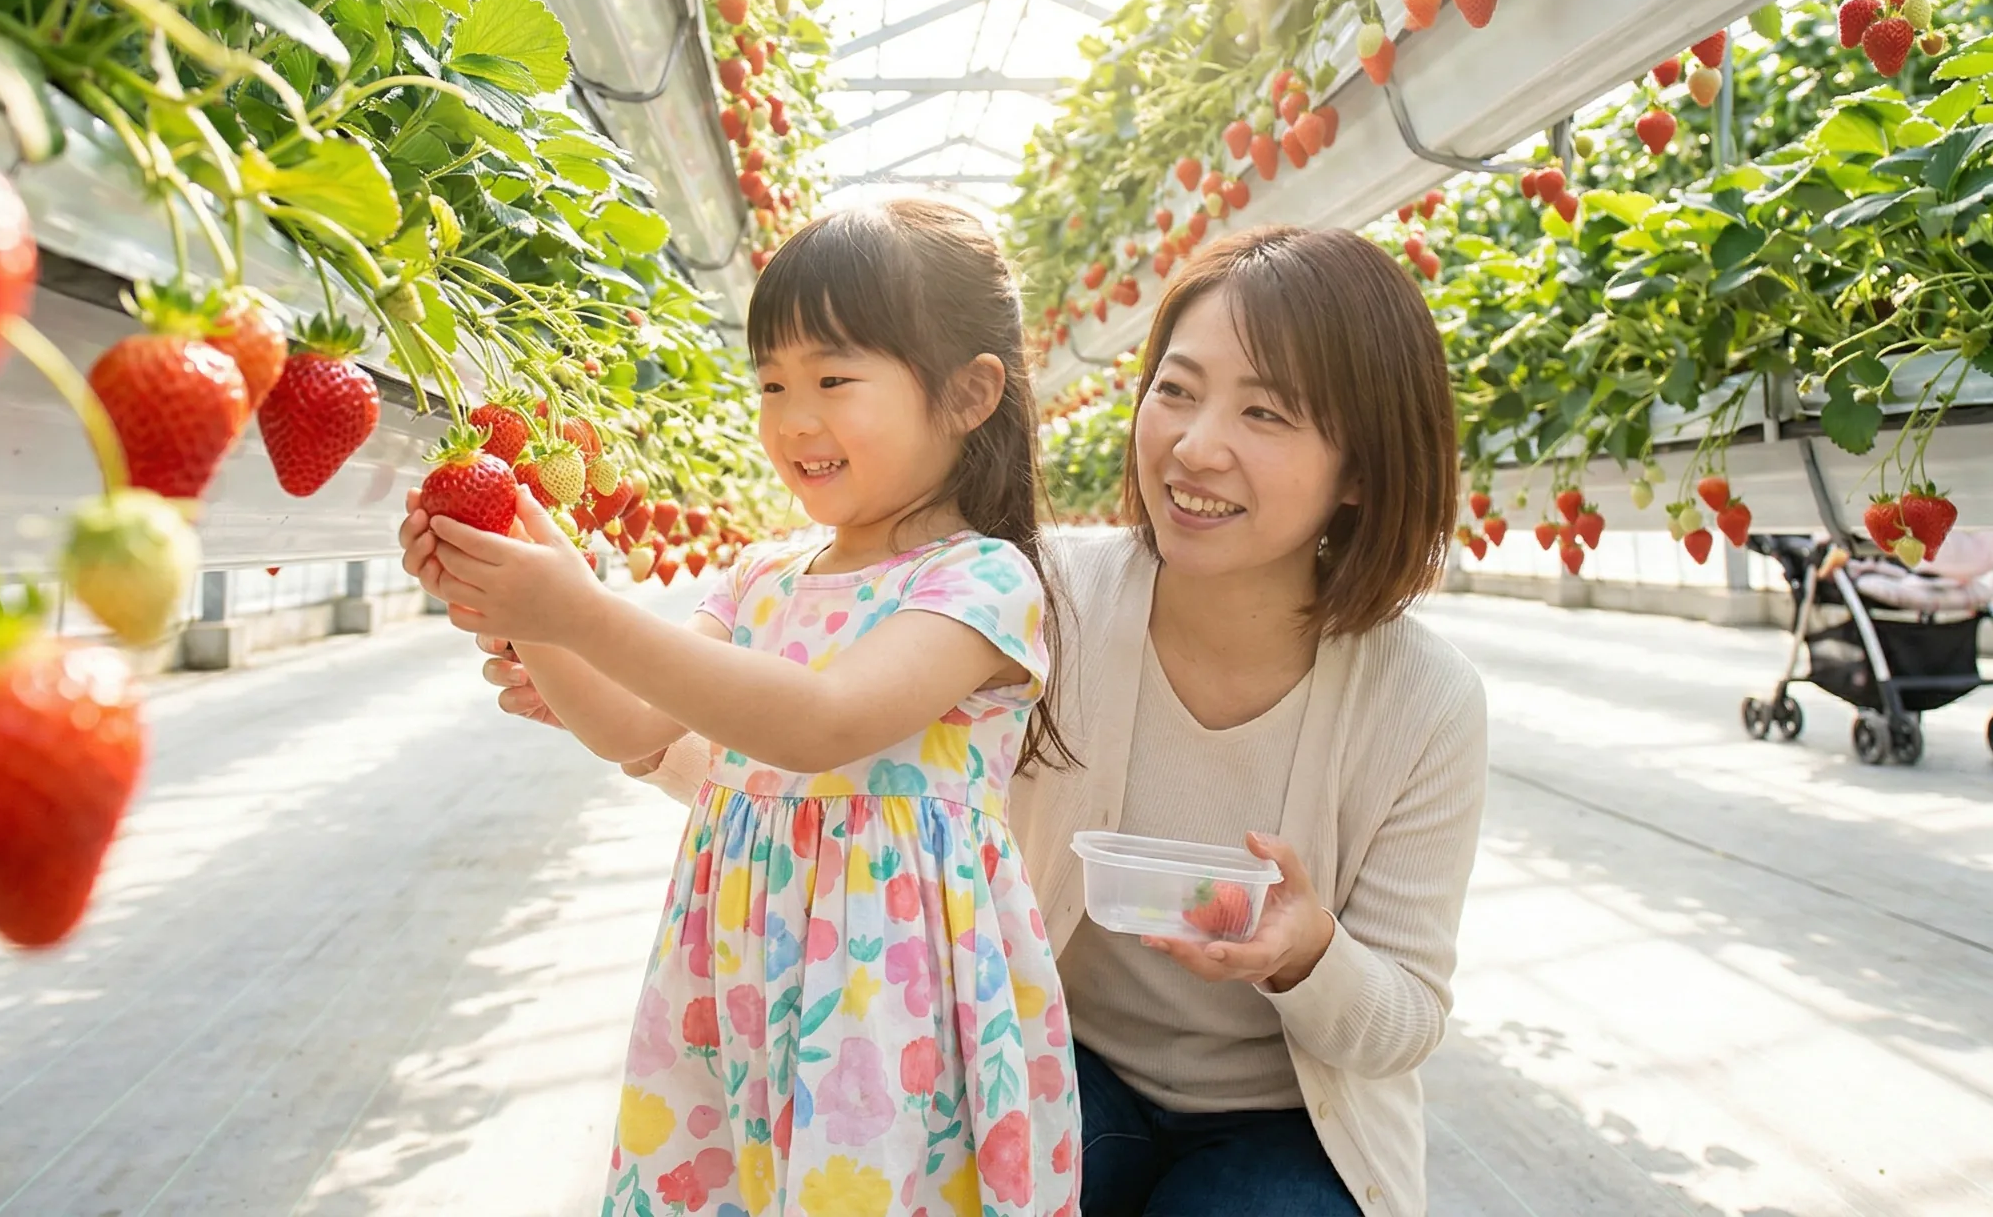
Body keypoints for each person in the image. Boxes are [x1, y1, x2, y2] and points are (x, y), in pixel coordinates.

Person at [491, 224, 1486, 1217]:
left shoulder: (1421, 700)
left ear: (1360, 467)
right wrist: (591, 667)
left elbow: (1406, 1021)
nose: (1194, 445)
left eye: (1263, 411)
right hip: (1058, 1056)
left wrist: (1304, 952)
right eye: (1176, 391)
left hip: (1284, 1119)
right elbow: (849, 776)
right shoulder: (1053, 591)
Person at [403, 199, 1079, 1216]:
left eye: (832, 380)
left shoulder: (979, 583)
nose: (793, 419)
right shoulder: (762, 577)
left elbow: (820, 724)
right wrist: (519, 597)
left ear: (968, 393)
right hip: (734, 982)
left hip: (884, 1005)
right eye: (771, 384)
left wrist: (577, 611)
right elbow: (633, 727)